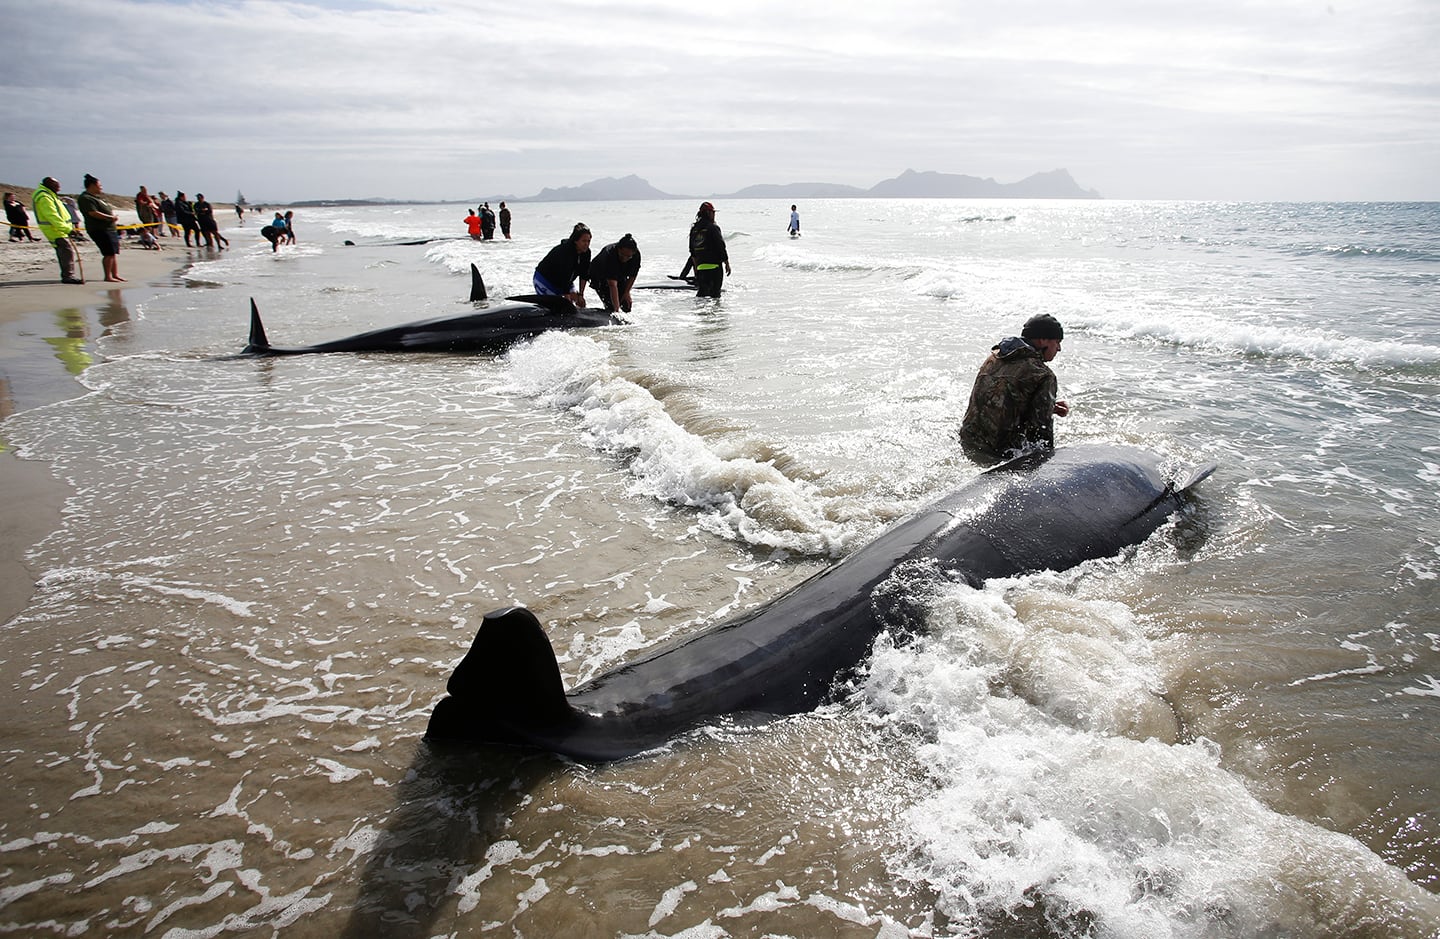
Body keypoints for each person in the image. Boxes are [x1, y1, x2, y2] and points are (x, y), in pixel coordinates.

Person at [958, 314, 1070, 466]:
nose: (1059, 348)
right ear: (1042, 340)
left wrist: (1048, 407)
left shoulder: (994, 357)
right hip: (1000, 454)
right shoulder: (1043, 374)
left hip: (968, 441)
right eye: (1057, 342)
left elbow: (998, 398)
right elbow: (1040, 435)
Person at [30, 177, 83, 283]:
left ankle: (67, 275)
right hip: (54, 229)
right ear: (49, 185)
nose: (59, 188)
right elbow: (52, 215)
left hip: (59, 228)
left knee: (64, 250)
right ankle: (68, 276)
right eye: (56, 185)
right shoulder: (44, 196)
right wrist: (67, 229)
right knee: (65, 250)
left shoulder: (50, 195)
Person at [77, 174, 124, 282]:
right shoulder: (85, 198)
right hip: (99, 229)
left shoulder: (96, 198)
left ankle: (115, 274)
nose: (101, 187)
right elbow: (93, 213)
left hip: (109, 229)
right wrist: (111, 217)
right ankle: (108, 276)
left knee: (113, 253)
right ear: (92, 185)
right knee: (108, 253)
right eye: (99, 185)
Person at [533, 223, 592, 307]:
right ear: (576, 240)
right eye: (583, 241)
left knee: (579, 303)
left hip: (566, 281)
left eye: (588, 241)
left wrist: (581, 295)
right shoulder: (565, 251)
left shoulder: (586, 253)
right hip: (544, 280)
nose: (586, 244)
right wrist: (566, 296)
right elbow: (564, 274)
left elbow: (584, 274)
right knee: (558, 307)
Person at [588, 233, 641, 313]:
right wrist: (617, 311)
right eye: (623, 255)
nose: (625, 259)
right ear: (618, 249)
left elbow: (633, 275)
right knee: (612, 307)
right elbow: (612, 284)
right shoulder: (610, 254)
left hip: (619, 274)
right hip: (598, 275)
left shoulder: (636, 255)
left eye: (628, 257)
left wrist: (627, 292)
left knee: (626, 305)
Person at [687, 201, 730, 298]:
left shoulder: (694, 230)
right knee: (715, 297)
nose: (714, 215)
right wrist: (727, 263)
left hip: (701, 269)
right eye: (713, 212)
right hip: (715, 268)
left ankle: (699, 313)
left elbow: (692, 251)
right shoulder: (713, 228)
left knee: (702, 297)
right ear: (708, 213)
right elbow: (721, 246)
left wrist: (696, 269)